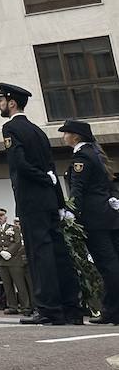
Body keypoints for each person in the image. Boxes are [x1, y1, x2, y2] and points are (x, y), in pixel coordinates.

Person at [0, 83, 84, 326]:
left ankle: (48, 309)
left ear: (12, 102)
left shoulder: (11, 127)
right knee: (58, 253)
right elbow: (51, 168)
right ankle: (71, 308)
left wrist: (42, 178)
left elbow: (19, 164)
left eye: (1, 100)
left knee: (39, 254)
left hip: (31, 200)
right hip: (48, 200)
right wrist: (58, 201)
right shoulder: (38, 131)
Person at [61, 119, 119, 325]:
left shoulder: (81, 156)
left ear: (75, 136)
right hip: (108, 216)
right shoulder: (95, 153)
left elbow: (78, 188)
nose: (64, 136)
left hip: (94, 219)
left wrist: (70, 212)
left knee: (108, 266)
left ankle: (113, 310)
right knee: (113, 263)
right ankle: (112, 309)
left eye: (66, 133)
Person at [0, 208, 30, 315]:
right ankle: (12, 306)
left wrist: (10, 252)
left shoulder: (14, 228)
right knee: (7, 285)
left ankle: (26, 306)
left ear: (5, 217)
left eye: (1, 216)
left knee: (20, 284)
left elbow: (17, 242)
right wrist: (1, 252)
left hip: (14, 260)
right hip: (1, 260)